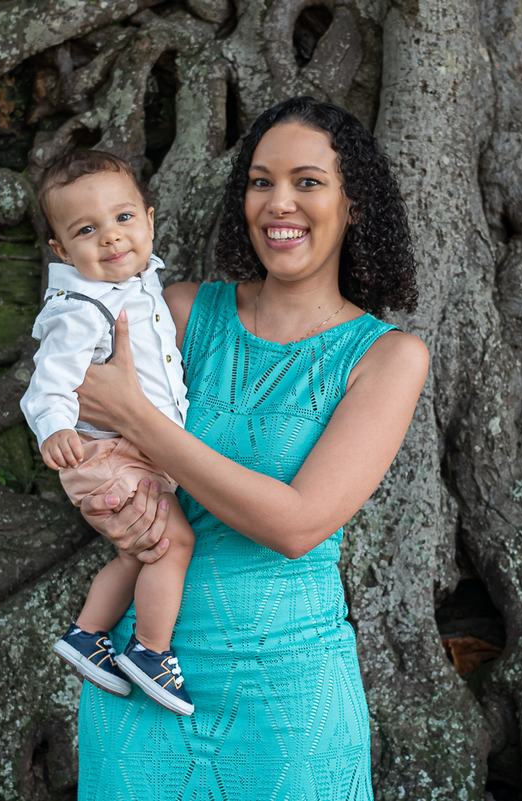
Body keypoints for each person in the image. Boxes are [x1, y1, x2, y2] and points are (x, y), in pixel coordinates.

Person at [72, 96, 429, 798]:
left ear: (354, 204)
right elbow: (80, 418)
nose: (278, 203)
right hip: (140, 677)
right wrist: (104, 501)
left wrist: (143, 424)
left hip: (290, 701)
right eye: (261, 182)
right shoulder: (175, 312)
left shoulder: (387, 358)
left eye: (307, 181)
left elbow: (296, 523)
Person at [21, 150, 197, 715]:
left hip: (137, 453)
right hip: (104, 453)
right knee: (173, 545)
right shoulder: (80, 309)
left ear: (148, 219)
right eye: (86, 229)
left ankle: (86, 635)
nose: (112, 238)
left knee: (140, 552)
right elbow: (47, 386)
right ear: (62, 250)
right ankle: (149, 651)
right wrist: (54, 431)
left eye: (123, 219)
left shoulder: (142, 286)